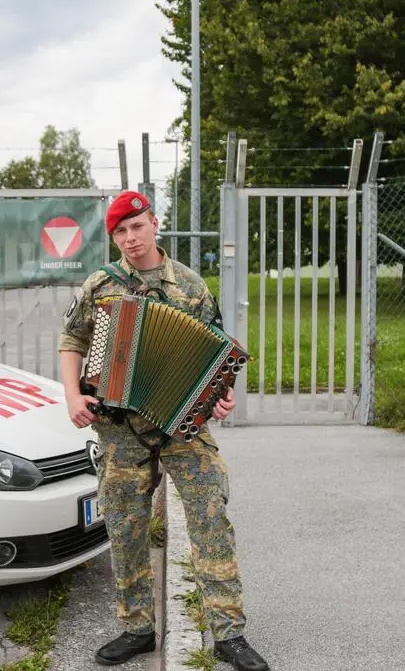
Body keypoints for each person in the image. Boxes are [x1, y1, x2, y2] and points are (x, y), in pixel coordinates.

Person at [57, 190, 269, 670]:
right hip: (119, 429)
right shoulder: (100, 285)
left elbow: (216, 355)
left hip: (181, 427)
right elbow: (72, 338)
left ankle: (228, 633)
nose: (130, 239)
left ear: (155, 224)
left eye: (137, 227)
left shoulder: (191, 287)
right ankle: (136, 629)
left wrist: (222, 392)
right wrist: (73, 395)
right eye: (120, 232)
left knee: (211, 516)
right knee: (125, 527)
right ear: (113, 237)